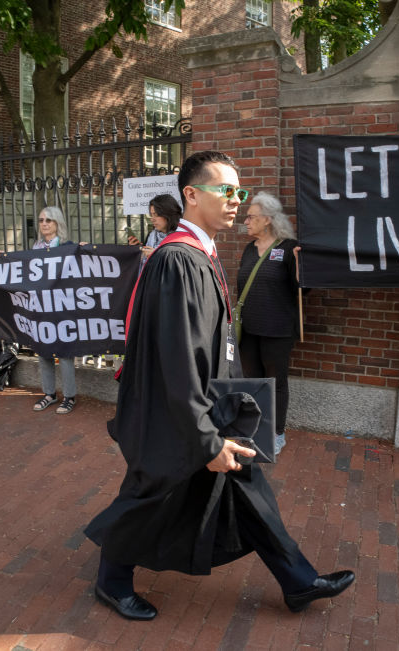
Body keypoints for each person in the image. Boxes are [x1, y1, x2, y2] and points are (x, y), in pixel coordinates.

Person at [84, 150, 354, 621]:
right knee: (151, 495)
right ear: (191, 194)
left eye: (239, 192)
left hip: (208, 406)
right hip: (179, 412)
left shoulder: (200, 254)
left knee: (246, 487)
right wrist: (204, 437)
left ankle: (297, 580)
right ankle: (110, 580)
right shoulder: (178, 262)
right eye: (224, 190)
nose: (235, 201)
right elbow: (176, 358)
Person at [236, 193, 301, 457]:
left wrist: (300, 266)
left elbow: (301, 290)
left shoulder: (288, 248)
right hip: (249, 328)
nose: (246, 221)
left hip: (278, 329)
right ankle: (254, 429)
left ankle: (276, 433)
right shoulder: (249, 249)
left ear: (268, 220)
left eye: (251, 216)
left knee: (276, 382)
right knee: (252, 381)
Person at [31, 205, 78, 414]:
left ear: (57, 223)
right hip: (42, 306)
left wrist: (84, 250)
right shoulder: (35, 248)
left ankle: (69, 396)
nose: (44, 224)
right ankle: (49, 394)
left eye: (48, 220)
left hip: (62, 307)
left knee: (65, 352)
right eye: (41, 220)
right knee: (44, 351)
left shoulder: (68, 246)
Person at [127, 193, 182, 261]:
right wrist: (137, 249)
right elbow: (143, 261)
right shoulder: (151, 235)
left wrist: (157, 255)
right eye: (151, 215)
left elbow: (180, 263)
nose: (152, 219)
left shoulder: (182, 238)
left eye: (156, 215)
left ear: (168, 214)